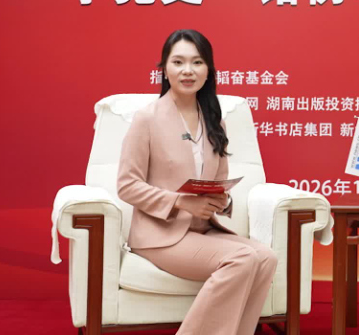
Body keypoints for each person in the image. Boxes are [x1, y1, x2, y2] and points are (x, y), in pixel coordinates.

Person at [117, 29, 277, 335]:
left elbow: (219, 181)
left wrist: (221, 201)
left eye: (197, 62)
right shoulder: (146, 118)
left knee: (266, 257)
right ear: (164, 69)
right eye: (178, 62)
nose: (187, 70)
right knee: (242, 258)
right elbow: (127, 185)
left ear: (208, 71)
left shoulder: (215, 120)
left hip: (203, 230)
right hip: (160, 236)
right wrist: (181, 201)